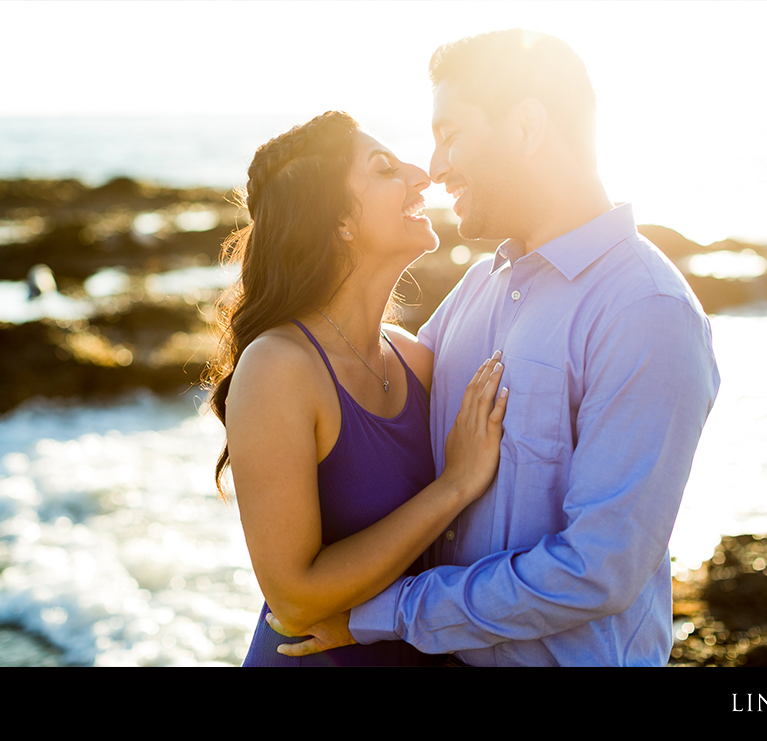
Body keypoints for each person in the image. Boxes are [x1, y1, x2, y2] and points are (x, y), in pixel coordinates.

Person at [270, 29, 722, 666]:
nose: (435, 167)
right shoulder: (481, 286)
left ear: (528, 126)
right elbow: (375, 414)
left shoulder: (646, 310)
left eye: (450, 134)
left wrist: (385, 614)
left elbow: (597, 568)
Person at [207, 110, 509, 666]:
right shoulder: (278, 367)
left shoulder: (415, 358)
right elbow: (294, 598)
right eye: (386, 168)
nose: (422, 175)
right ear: (339, 218)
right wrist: (455, 485)